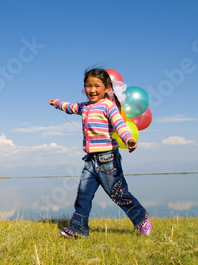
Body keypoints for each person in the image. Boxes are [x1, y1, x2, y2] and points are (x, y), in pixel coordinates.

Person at [49, 68, 152, 238]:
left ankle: (141, 219)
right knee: (83, 194)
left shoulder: (108, 105)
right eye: (88, 86)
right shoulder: (85, 107)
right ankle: (78, 228)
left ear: (107, 88)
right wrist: (57, 103)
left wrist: (128, 140)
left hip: (108, 160)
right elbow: (71, 107)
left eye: (97, 86)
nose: (92, 90)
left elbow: (120, 124)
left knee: (119, 194)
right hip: (90, 160)